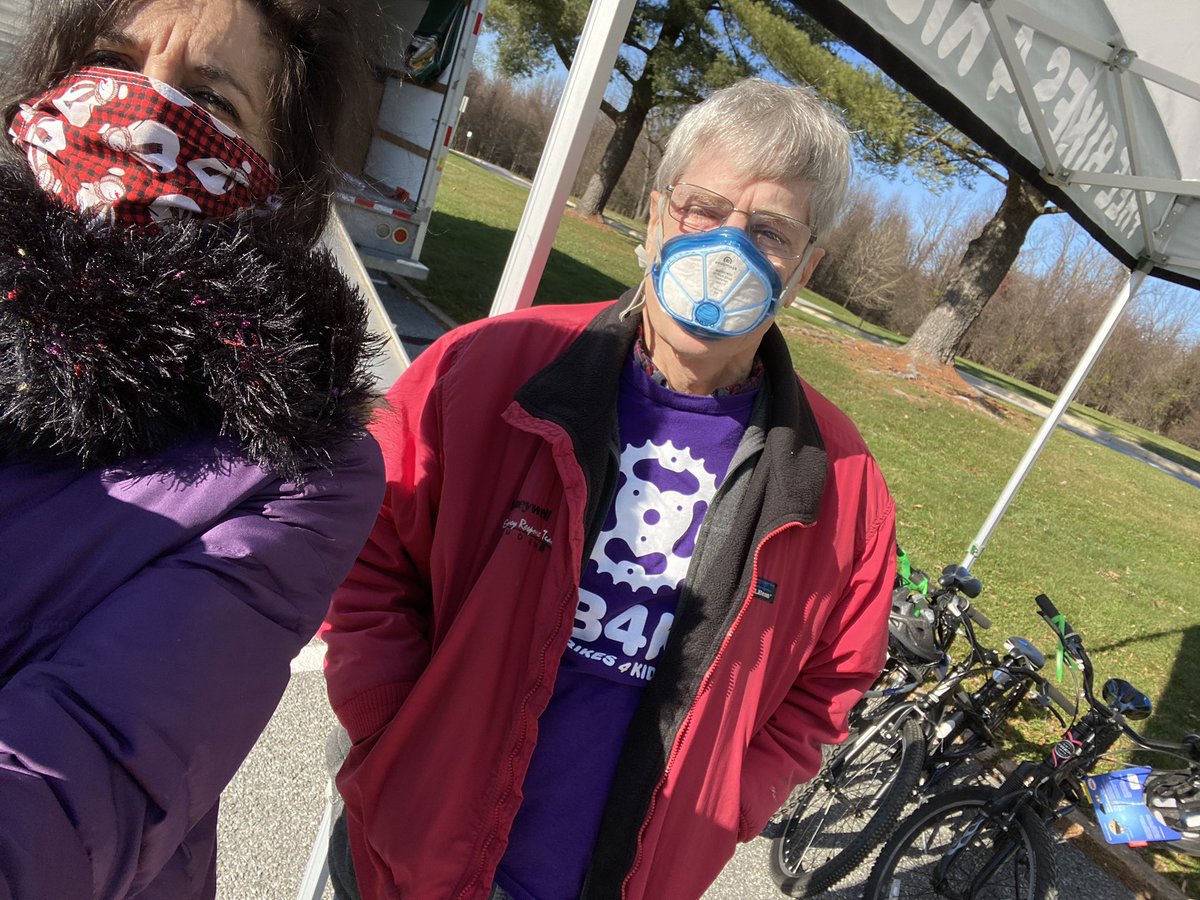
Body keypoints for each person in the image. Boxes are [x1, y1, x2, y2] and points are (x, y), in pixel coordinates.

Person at [322, 78, 896, 900]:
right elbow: (365, 537)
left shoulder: (842, 485)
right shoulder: (489, 369)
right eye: (703, 209)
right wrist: (393, 729)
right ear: (657, 215)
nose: (726, 248)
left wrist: (723, 808)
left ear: (804, 270)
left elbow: (830, 681)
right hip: (408, 859)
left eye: (768, 231)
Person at [0, 1, 386, 897]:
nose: (139, 112)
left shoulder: (296, 466)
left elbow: (87, 771)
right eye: (111, 57)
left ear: (277, 184)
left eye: (210, 100)